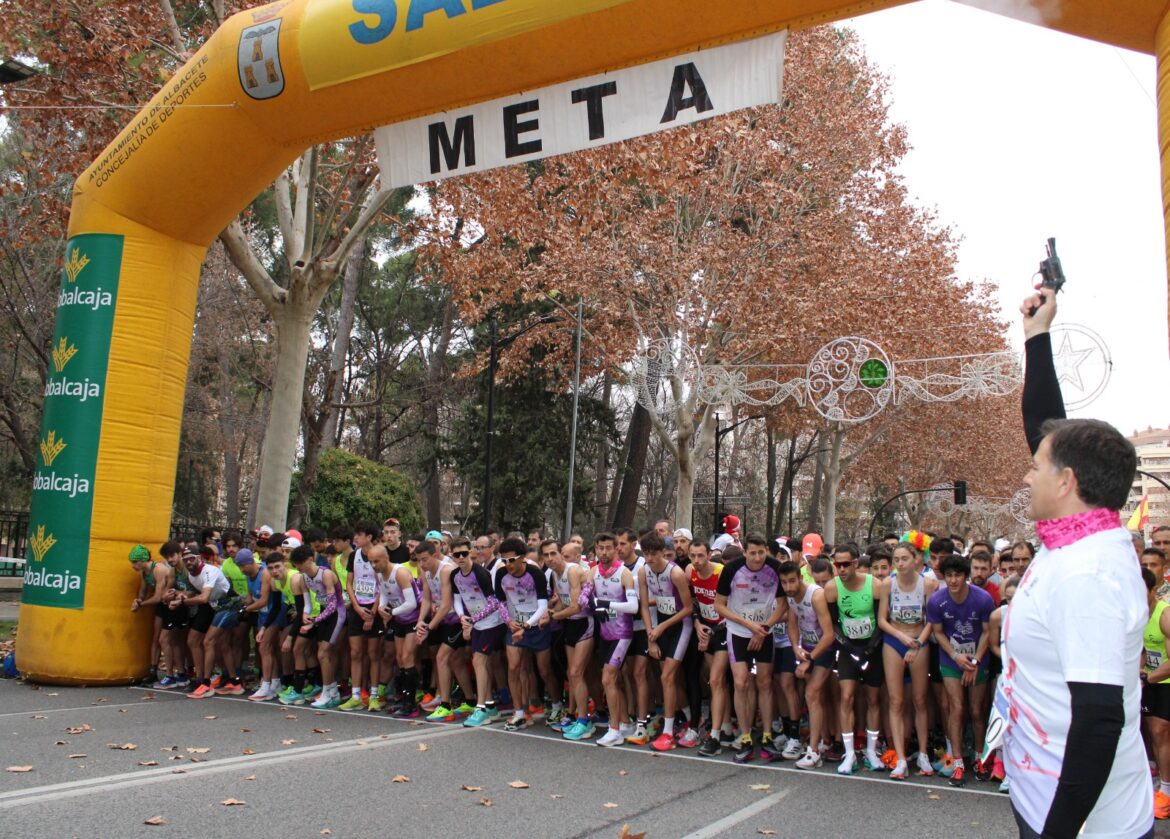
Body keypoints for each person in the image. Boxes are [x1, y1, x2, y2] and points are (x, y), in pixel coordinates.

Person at [1003, 285, 1152, 839]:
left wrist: (1059, 832)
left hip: (1086, 821)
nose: (1026, 474)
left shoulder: (1088, 574)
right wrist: (1037, 337)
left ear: (1066, 482)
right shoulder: (1076, 539)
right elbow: (1047, 427)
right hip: (1041, 788)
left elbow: (1097, 721)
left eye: (1036, 468)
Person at [715, 534, 786, 763]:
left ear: (767, 550)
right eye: (752, 553)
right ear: (744, 552)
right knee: (741, 681)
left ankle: (766, 736)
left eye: (761, 552)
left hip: (765, 630)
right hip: (738, 631)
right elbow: (719, 605)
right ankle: (745, 737)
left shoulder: (775, 568)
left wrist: (763, 628)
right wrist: (749, 626)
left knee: (765, 681)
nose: (757, 558)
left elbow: (783, 605)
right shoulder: (732, 569)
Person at [928, 553, 995, 787]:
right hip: (951, 659)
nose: (954, 580)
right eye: (949, 576)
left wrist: (975, 661)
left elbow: (988, 631)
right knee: (956, 707)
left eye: (958, 575)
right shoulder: (936, 601)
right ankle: (957, 762)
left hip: (978, 658)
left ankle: (979, 758)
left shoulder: (983, 599)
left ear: (966, 576)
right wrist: (957, 657)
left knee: (976, 710)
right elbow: (937, 632)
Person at [878, 541, 937, 779]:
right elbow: (883, 619)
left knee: (920, 699)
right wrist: (901, 637)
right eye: (896, 560)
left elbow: (932, 620)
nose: (900, 564)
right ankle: (900, 758)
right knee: (896, 701)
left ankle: (923, 753)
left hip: (918, 640)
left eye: (904, 559)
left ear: (916, 559)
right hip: (895, 640)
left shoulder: (928, 584)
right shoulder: (888, 584)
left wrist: (919, 643)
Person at [824, 542, 884, 774]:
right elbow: (834, 624)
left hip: (872, 647)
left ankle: (870, 750)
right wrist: (848, 647)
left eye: (845, 564)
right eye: (837, 564)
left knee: (873, 699)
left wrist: (870, 648)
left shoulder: (875, 585)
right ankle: (849, 754)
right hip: (848, 648)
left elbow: (880, 620)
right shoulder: (832, 588)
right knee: (846, 696)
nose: (841, 569)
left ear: (856, 564)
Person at [638, 532, 693, 751]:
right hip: (660, 625)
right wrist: (651, 633)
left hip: (680, 625)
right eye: (646, 554)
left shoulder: (676, 573)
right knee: (670, 680)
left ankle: (668, 733)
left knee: (667, 676)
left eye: (654, 554)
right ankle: (689, 719)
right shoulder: (644, 571)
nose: (650, 558)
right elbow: (644, 604)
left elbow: (688, 608)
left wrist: (661, 627)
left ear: (663, 552)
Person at [781, 559, 836, 769]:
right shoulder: (791, 597)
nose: (789, 587)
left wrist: (809, 661)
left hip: (826, 648)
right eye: (784, 582)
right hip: (808, 647)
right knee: (816, 696)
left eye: (792, 581)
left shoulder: (816, 595)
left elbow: (829, 635)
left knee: (812, 694)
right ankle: (824, 740)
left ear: (801, 578)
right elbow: (792, 623)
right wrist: (796, 647)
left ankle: (813, 752)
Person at [496, 536, 553, 730]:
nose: (508, 564)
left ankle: (556, 704)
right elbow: (500, 602)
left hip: (536, 625)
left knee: (543, 670)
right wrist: (509, 621)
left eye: (512, 560)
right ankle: (520, 712)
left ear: (522, 558)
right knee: (514, 667)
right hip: (515, 626)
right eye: (504, 560)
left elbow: (543, 606)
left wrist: (526, 626)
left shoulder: (535, 573)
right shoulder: (501, 574)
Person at [448, 538, 505, 727]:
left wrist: (473, 619)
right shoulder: (455, 575)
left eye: (465, 553)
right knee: (483, 665)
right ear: (452, 555)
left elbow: (494, 602)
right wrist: (462, 616)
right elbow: (457, 599)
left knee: (478, 661)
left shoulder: (481, 573)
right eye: (457, 555)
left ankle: (480, 708)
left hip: (491, 622)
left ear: (471, 551)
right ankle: (489, 706)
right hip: (475, 623)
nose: (462, 557)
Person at [591, 534, 640, 747]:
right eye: (600, 548)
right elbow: (586, 600)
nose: (604, 552)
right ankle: (624, 722)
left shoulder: (624, 573)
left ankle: (614, 730)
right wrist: (593, 606)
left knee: (607, 679)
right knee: (613, 680)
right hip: (604, 633)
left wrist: (607, 604)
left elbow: (633, 607)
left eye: (608, 548)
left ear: (615, 550)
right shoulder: (592, 572)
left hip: (622, 633)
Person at [546, 540, 596, 741]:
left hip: (584, 623)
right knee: (572, 673)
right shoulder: (554, 575)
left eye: (554, 554)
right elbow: (563, 604)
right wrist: (548, 614)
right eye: (546, 555)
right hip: (569, 625)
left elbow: (576, 606)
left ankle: (585, 721)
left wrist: (554, 616)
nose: (550, 559)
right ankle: (575, 715)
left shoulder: (573, 571)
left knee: (576, 672)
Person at [291, 544, 346, 709]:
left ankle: (329, 692)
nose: (298, 567)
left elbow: (333, 604)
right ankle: (330, 691)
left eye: (300, 563)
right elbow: (307, 604)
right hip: (323, 615)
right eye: (295, 564)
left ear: (310, 560)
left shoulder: (326, 574)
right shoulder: (304, 577)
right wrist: (305, 616)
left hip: (337, 614)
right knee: (322, 653)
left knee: (323, 653)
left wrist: (314, 622)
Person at [691, 541, 732, 756]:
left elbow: (732, 604)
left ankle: (714, 736)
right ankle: (725, 727)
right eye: (693, 556)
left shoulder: (721, 572)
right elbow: (694, 603)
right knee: (717, 682)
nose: (696, 561)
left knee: (716, 679)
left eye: (700, 556)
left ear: (709, 554)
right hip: (707, 629)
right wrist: (698, 625)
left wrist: (714, 629)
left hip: (724, 630)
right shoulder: (691, 572)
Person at [340, 522, 383, 711]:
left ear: (370, 537)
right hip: (357, 609)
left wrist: (372, 614)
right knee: (356, 653)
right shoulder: (354, 555)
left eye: (359, 534)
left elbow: (383, 586)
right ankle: (356, 695)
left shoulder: (379, 554)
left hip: (374, 610)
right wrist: (356, 608)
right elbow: (349, 582)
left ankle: (374, 695)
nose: (355, 538)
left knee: (373, 654)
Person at [1139, 566, 1170, 820]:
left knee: (1161, 732)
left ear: (1152, 589)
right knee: (1151, 734)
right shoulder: (1135, 614)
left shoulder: (1164, 615)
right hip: (1148, 680)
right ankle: (1159, 786)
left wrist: (1148, 676)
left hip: (1165, 680)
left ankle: (1167, 793)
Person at [129, 544, 170, 687]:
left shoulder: (158, 570)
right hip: (161, 606)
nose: (133, 566)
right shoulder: (143, 572)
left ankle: (176, 673)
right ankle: (153, 672)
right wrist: (137, 600)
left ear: (142, 560)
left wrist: (141, 604)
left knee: (166, 640)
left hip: (171, 604)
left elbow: (158, 597)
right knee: (156, 638)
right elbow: (142, 592)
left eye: (134, 562)